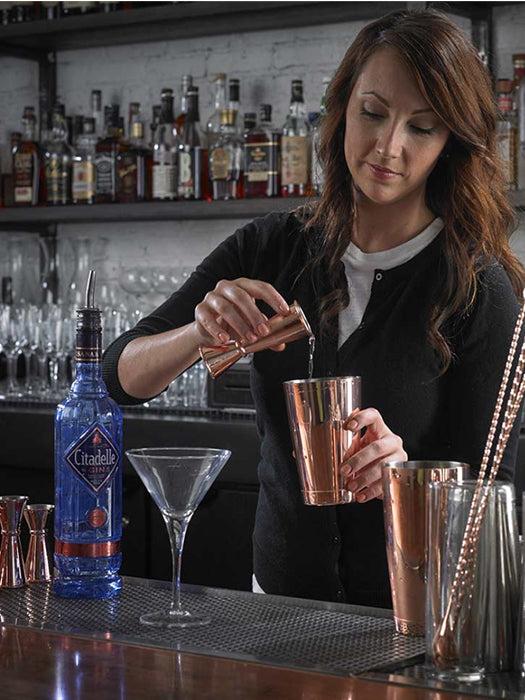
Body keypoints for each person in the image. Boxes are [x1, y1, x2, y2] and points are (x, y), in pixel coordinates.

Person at [103, 8, 525, 608]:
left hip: (405, 615)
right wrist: (198, 332)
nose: (388, 146)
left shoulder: (478, 286)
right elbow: (115, 378)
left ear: (450, 144)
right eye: (372, 113)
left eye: (422, 128)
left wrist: (406, 475)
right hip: (274, 604)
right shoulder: (270, 246)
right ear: (342, 107)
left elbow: (489, 496)